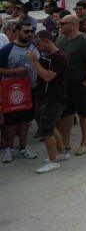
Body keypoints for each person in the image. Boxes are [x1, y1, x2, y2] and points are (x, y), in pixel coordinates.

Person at [55, 14, 86, 156]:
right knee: (66, 113)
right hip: (64, 84)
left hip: (80, 84)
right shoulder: (60, 39)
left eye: (63, 23)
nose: (60, 25)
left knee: (84, 113)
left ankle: (85, 143)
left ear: (73, 24)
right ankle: (65, 142)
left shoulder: (84, 41)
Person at [27, 30, 68, 173]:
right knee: (50, 126)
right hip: (44, 96)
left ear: (47, 41)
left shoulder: (60, 57)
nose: (37, 47)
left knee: (47, 130)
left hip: (54, 98)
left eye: (38, 44)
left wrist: (34, 62)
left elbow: (48, 77)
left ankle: (53, 161)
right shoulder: (46, 55)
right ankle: (61, 153)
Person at [0, 21, 40, 163]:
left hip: (31, 91)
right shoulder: (7, 50)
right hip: (12, 93)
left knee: (26, 121)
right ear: (17, 32)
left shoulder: (35, 47)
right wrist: (14, 72)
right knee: (11, 123)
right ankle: (9, 149)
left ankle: (23, 148)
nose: (29, 34)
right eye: (26, 32)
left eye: (31, 31)